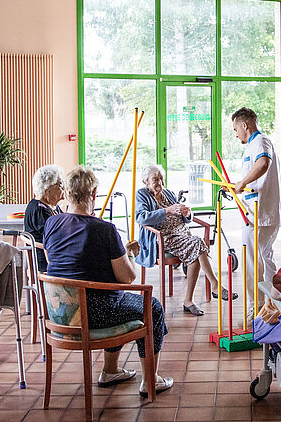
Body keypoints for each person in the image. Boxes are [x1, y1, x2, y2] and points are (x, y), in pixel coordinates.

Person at [43, 166, 172, 396]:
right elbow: (128, 278)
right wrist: (129, 253)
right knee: (151, 307)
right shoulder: (104, 230)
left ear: (67, 193)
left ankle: (110, 371)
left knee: (116, 298)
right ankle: (151, 380)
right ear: (93, 194)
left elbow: (55, 261)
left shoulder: (52, 224)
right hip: (95, 314)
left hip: (59, 312)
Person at [135, 165, 236, 317]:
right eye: (155, 179)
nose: (160, 182)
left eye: (161, 179)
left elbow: (186, 220)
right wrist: (167, 210)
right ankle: (215, 286)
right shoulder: (142, 194)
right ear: (145, 182)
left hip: (182, 235)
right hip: (162, 238)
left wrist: (187, 213)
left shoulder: (168, 193)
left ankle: (189, 301)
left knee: (195, 251)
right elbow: (141, 217)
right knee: (197, 244)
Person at [230, 107, 281, 322]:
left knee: (254, 263)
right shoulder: (254, 145)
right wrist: (238, 185)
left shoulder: (260, 142)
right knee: (262, 260)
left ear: (245, 125)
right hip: (257, 213)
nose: (235, 134)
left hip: (261, 215)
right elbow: (255, 176)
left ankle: (260, 308)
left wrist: (242, 183)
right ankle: (270, 305)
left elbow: (263, 163)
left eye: (236, 129)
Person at [24, 164, 65, 272]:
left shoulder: (52, 207)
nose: (64, 188)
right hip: (46, 263)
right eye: (60, 184)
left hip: (55, 257)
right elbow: (57, 237)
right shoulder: (39, 210)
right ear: (47, 190)